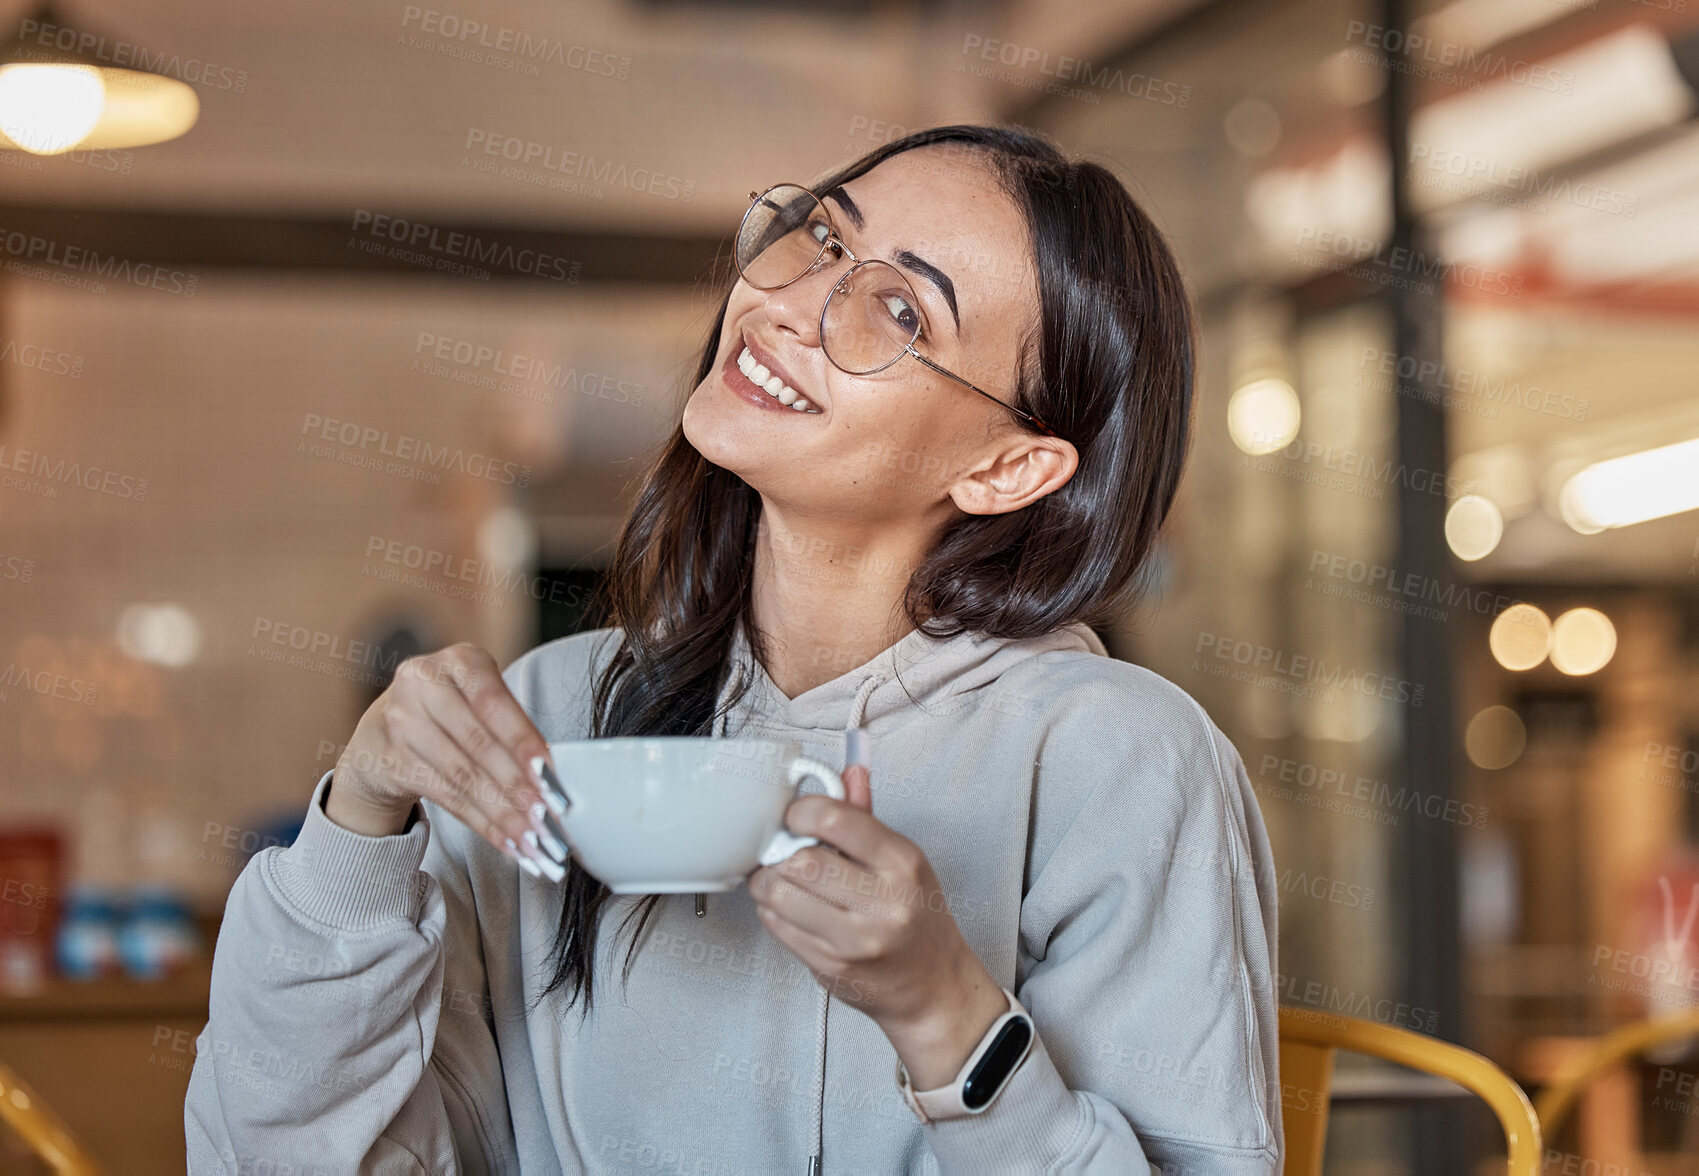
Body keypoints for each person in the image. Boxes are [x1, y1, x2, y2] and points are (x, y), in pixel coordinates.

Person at [185, 123, 1282, 1174]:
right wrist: (362, 819)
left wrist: (943, 1012)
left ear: (1005, 470)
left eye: (898, 309)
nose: (787, 305)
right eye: (821, 237)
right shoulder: (555, 713)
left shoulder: (1120, 761)